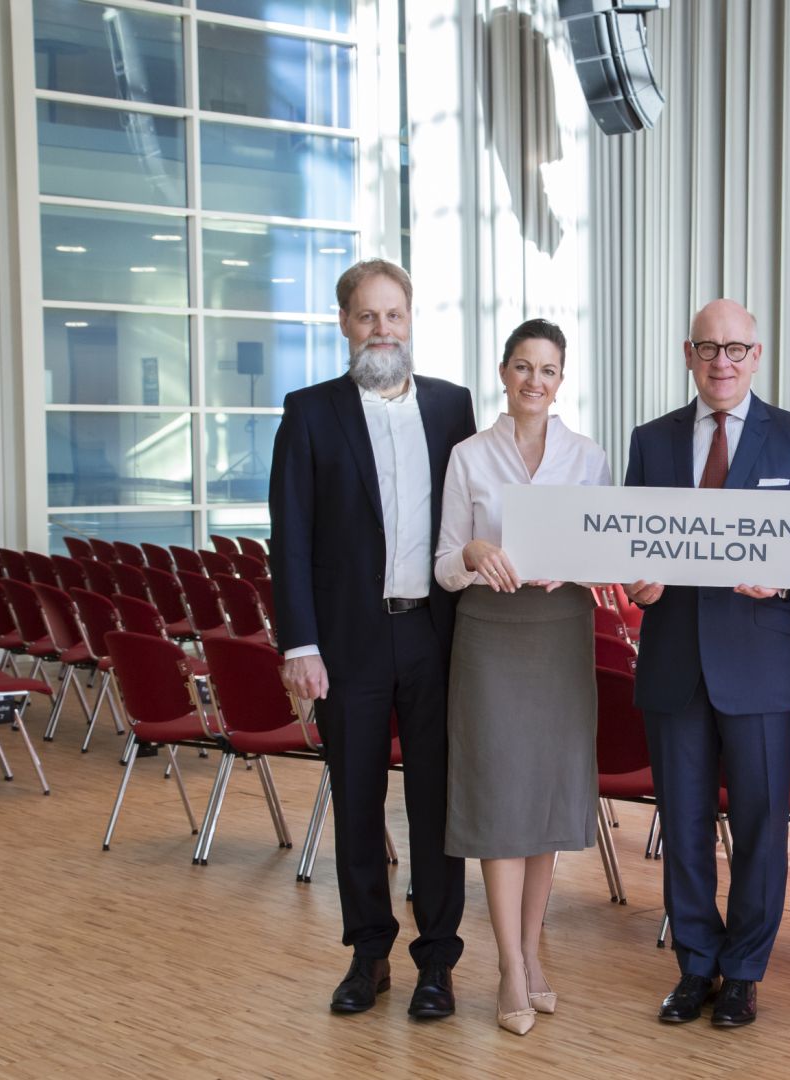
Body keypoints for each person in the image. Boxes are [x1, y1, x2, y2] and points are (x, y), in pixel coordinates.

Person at [269, 258, 476, 1018]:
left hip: (433, 635)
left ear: (411, 320)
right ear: (345, 324)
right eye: (367, 316)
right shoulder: (310, 412)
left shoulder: (454, 408)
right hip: (348, 642)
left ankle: (437, 963)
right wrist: (301, 645)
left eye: (394, 315)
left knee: (436, 805)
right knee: (357, 801)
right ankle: (368, 955)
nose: (382, 329)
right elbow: (288, 538)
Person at [623, 298, 790, 1029]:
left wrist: (788, 579)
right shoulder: (649, 441)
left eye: (735, 349)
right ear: (688, 354)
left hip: (760, 664)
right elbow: (634, 546)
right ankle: (695, 965)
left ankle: (743, 972)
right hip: (675, 661)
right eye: (709, 349)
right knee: (682, 825)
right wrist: (636, 582)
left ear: (757, 354)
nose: (722, 362)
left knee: (761, 826)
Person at [432, 319, 611, 1036]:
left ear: (561, 380)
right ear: (503, 373)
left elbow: (606, 556)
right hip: (490, 638)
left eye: (549, 369)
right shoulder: (469, 456)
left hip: (562, 633)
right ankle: (508, 962)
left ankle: (533, 953)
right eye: (523, 367)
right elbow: (444, 564)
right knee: (501, 802)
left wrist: (582, 563)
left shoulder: (588, 457)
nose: (536, 381)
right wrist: (476, 549)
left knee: (543, 807)